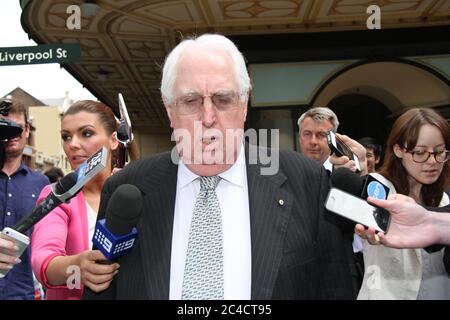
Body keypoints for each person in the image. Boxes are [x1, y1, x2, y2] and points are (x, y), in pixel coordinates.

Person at [84, 34, 353, 300]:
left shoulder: (308, 182)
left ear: (244, 104)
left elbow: (335, 288)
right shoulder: (125, 190)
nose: (208, 117)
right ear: (169, 110)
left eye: (223, 99)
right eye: (191, 101)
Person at [31, 101, 120, 299]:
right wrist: (78, 266)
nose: (73, 144)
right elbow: (42, 259)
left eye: (86, 133)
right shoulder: (56, 195)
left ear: (113, 140)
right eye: (66, 137)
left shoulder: (133, 190)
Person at [357, 108, 450, 300]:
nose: (432, 161)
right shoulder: (378, 187)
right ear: (398, 150)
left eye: (440, 152)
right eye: (419, 152)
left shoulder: (442, 198)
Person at [0, 98, 49, 300]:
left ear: (27, 130)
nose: (11, 136)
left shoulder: (41, 184)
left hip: (23, 293)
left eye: (17, 128)